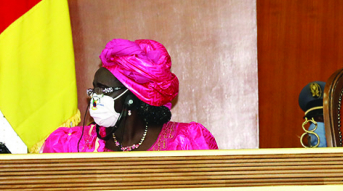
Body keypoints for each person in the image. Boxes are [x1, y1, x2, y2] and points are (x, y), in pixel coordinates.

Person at [41, 39, 218, 152]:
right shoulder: (72, 145)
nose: (94, 97)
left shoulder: (186, 142)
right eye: (94, 89)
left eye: (103, 89)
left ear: (132, 96)